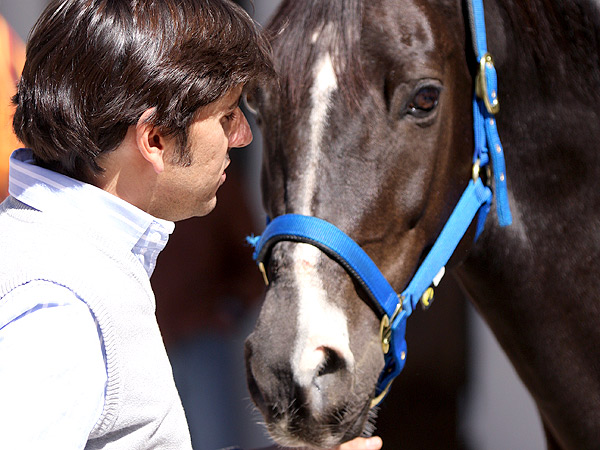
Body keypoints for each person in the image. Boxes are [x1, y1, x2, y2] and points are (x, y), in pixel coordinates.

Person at [0, 1, 383, 449]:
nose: (242, 136)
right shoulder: (60, 310)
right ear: (155, 140)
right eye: (226, 116)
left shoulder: (56, 256)